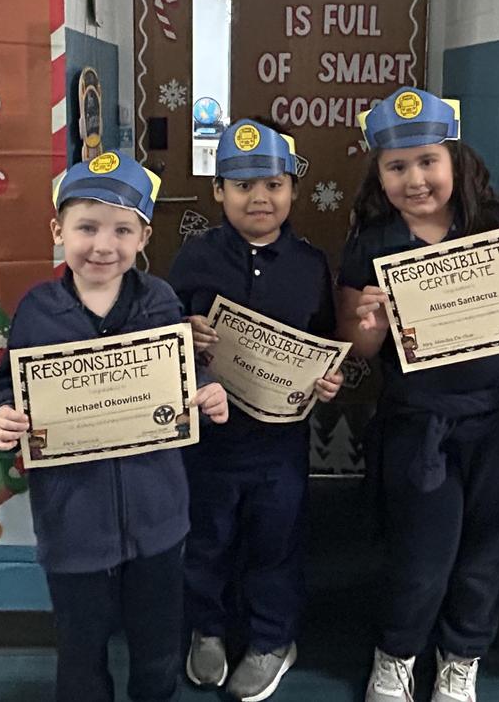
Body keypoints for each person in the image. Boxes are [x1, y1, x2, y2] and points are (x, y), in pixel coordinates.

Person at [337, 87, 499, 702]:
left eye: (427, 162)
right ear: (378, 172)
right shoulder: (372, 242)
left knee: (483, 552)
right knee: (421, 555)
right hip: (422, 427)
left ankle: (461, 657)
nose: (414, 179)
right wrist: (372, 322)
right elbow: (358, 349)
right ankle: (397, 654)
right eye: (396, 166)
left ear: (454, 159)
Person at [0, 152, 231, 702]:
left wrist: (209, 390)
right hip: (73, 521)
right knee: (80, 653)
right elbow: (8, 388)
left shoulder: (161, 300)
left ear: (144, 236)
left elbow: (185, 374)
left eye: (122, 230)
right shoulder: (37, 310)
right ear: (58, 230)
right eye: (87, 227)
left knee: (156, 651)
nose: (103, 245)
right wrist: (1, 416)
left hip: (158, 516)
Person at [168, 119, 344, 701]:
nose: (259, 197)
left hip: (279, 444)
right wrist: (182, 335)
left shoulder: (312, 263)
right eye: (241, 185)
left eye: (272, 183)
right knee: (207, 538)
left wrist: (328, 380)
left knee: (277, 540)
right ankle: (208, 629)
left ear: (292, 188)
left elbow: (324, 341)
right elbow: (162, 343)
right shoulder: (192, 258)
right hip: (209, 441)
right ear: (218, 191)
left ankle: (273, 640)